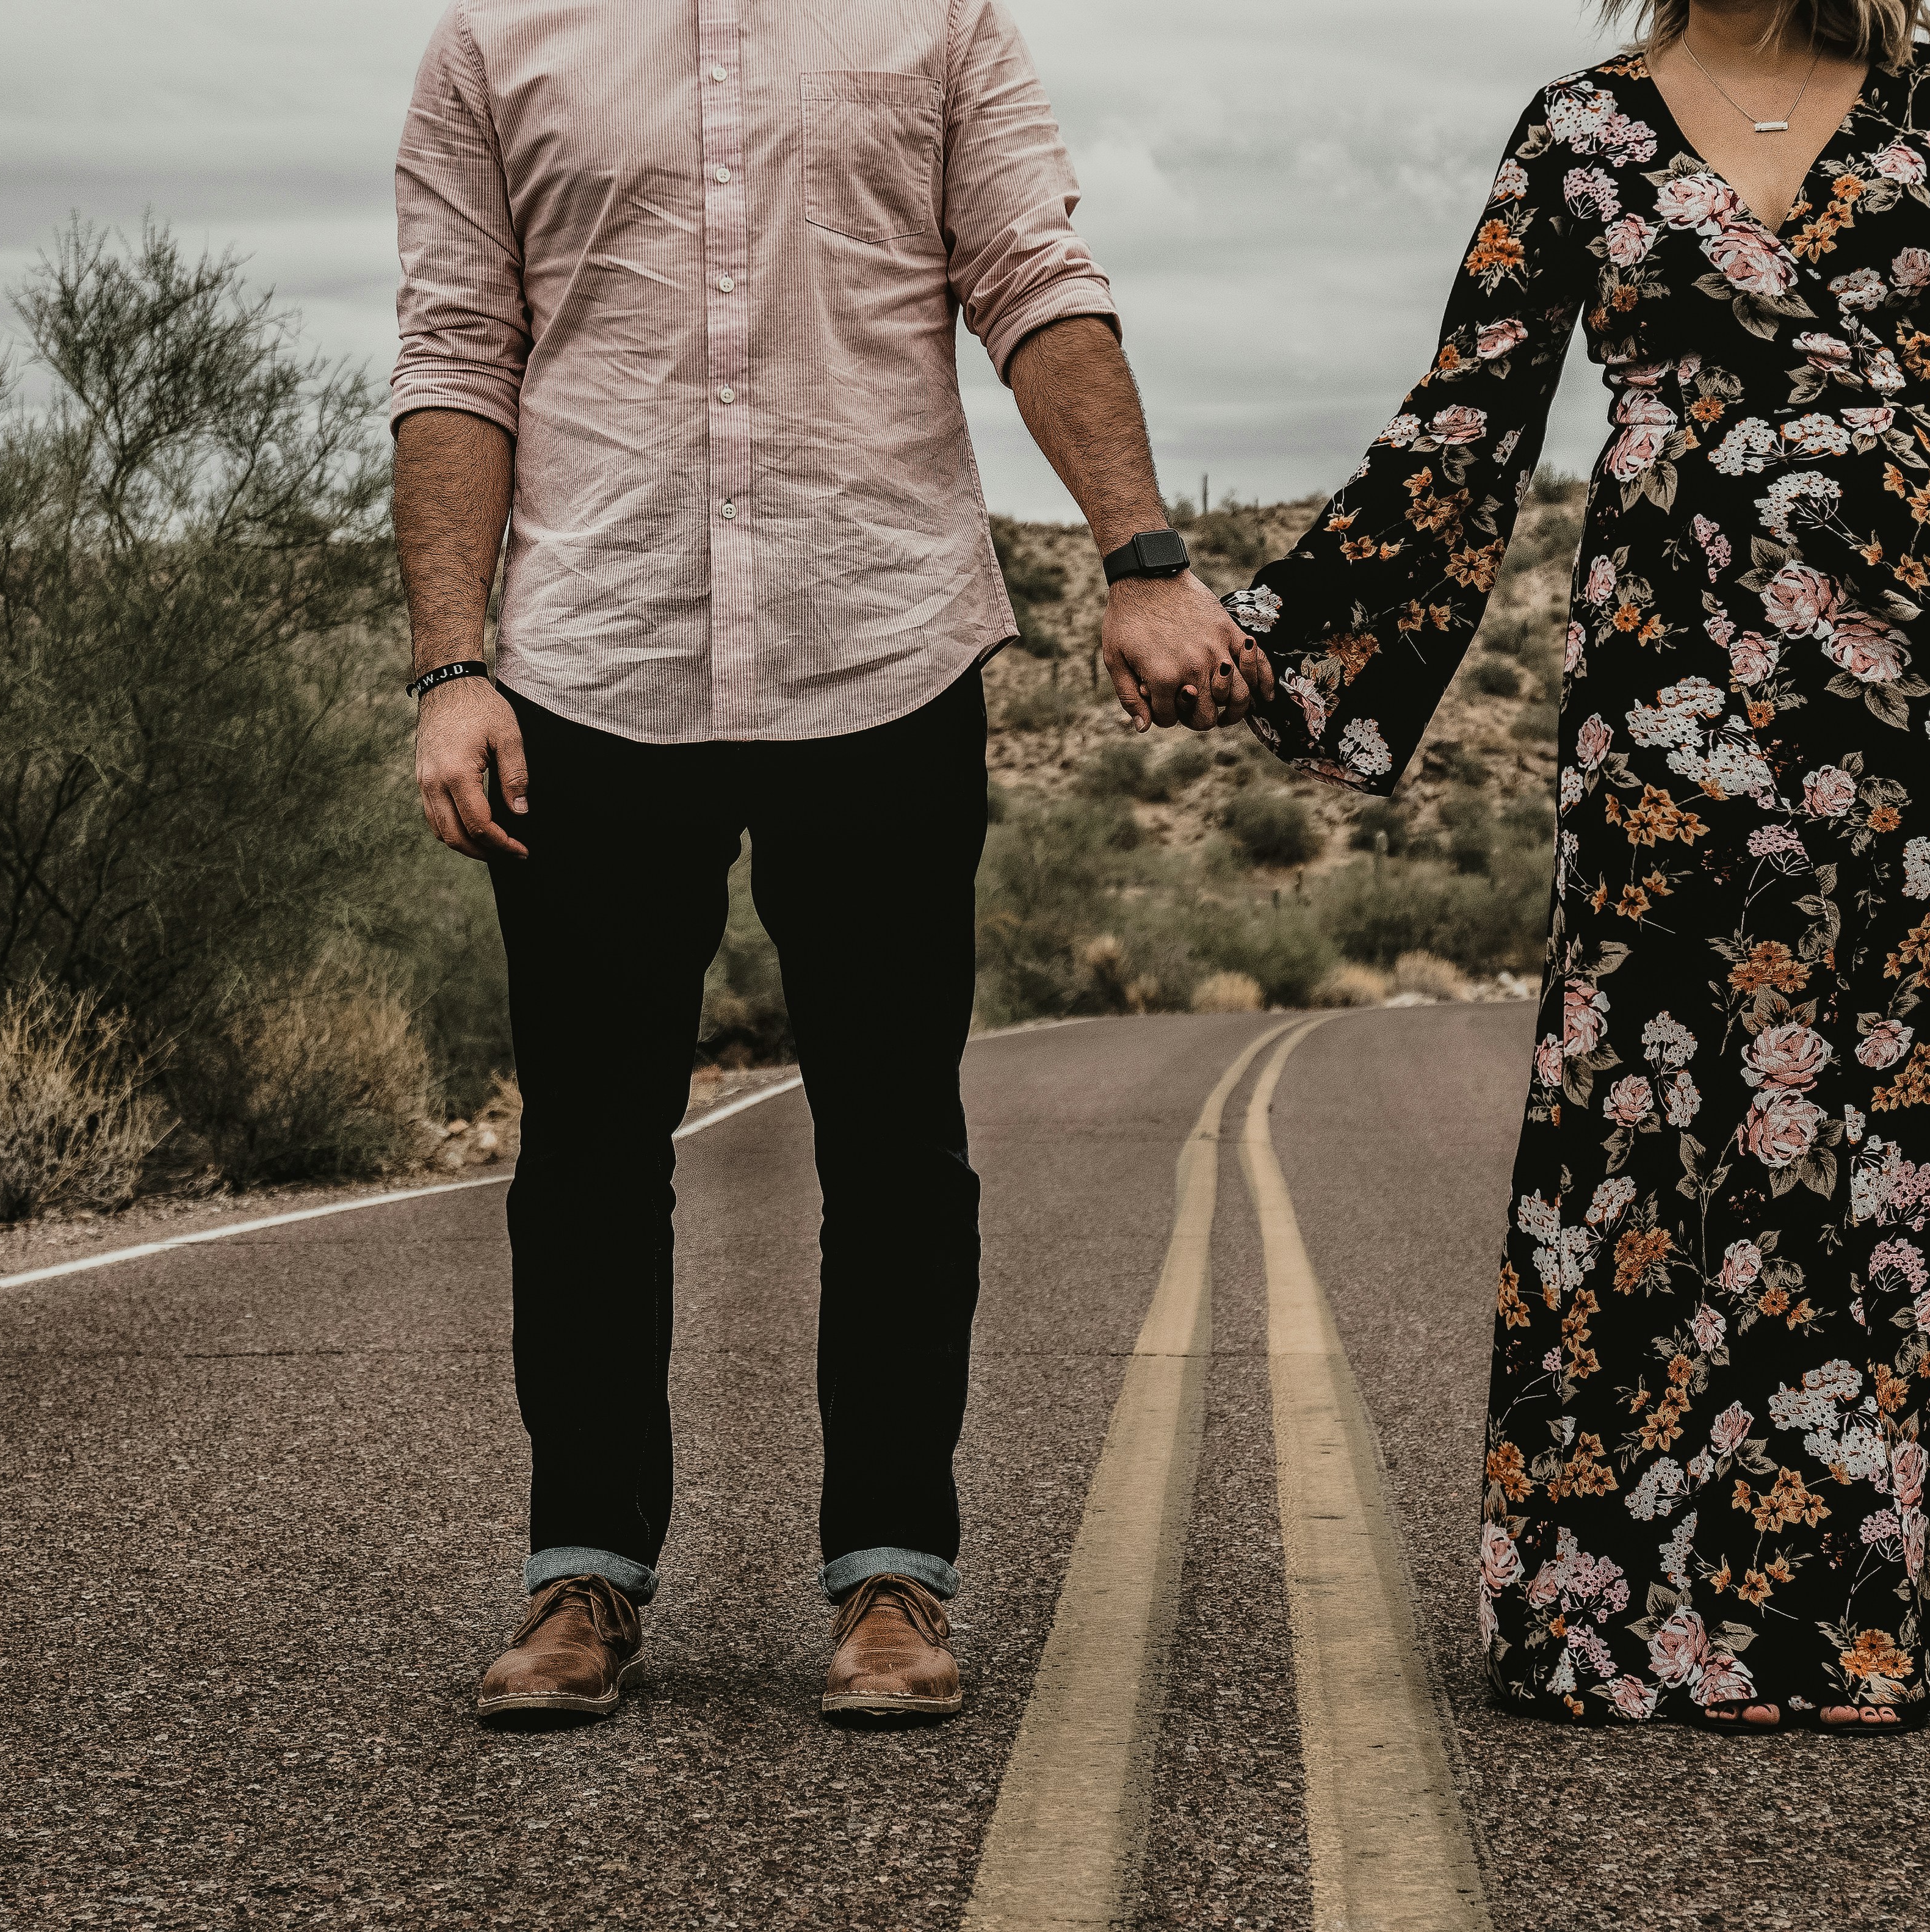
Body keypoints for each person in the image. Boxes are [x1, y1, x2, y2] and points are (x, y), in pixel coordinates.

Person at [1227, 0, 1930, 1730]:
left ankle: (1886, 1588)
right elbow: (1468, 419)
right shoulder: (1579, 130)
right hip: (1676, 687)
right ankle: (1632, 1609)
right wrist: (1286, 643)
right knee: (1678, 1113)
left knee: (1901, 1125)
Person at [387, 0, 1268, 1728]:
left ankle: (891, 1571)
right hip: (593, 658)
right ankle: (583, 1569)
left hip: (876, 640)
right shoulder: (494, 37)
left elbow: (1031, 274)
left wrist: (1141, 554)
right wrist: (451, 666)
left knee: (891, 1136)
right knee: (583, 1146)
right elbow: (454, 349)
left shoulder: (939, 18)